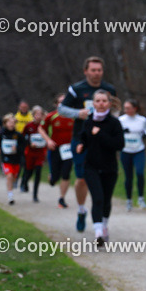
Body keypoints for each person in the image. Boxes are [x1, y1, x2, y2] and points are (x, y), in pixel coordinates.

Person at [56, 57, 116, 232]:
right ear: (86, 71)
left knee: (105, 177)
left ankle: (101, 217)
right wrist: (78, 113)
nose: (96, 73)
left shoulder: (109, 89)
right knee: (81, 178)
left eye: (99, 70)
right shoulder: (77, 89)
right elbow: (61, 109)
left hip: (103, 140)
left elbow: (116, 110)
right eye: (93, 70)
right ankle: (82, 210)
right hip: (82, 139)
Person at [75, 90, 124, 247]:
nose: (101, 104)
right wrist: (81, 145)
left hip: (109, 167)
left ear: (109, 103)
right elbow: (84, 136)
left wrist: (101, 134)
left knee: (106, 200)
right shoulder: (88, 121)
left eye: (104, 101)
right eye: (98, 101)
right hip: (91, 166)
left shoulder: (114, 123)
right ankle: (98, 233)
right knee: (97, 198)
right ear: (93, 103)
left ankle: (104, 225)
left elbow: (119, 144)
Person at [42, 94, 74, 208]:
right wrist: (48, 141)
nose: (63, 104)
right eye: (60, 102)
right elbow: (40, 129)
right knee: (55, 178)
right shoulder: (51, 116)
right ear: (56, 104)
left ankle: (62, 199)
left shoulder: (73, 116)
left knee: (66, 174)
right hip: (54, 148)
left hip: (68, 149)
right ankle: (52, 177)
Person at [118, 99, 146, 211]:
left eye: (128, 108)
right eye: (124, 108)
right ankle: (129, 200)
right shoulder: (121, 120)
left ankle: (141, 198)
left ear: (134, 108)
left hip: (139, 150)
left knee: (140, 173)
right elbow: (116, 134)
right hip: (126, 151)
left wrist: (143, 134)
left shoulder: (142, 120)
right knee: (128, 176)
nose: (126, 110)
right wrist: (122, 133)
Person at [20, 106, 48, 201]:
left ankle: (35, 195)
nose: (39, 116)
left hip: (40, 153)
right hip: (30, 153)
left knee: (38, 172)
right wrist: (29, 143)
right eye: (37, 114)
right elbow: (23, 138)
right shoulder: (29, 126)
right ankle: (24, 182)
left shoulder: (44, 126)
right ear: (33, 115)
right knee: (29, 171)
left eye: (40, 114)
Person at [0, 114, 23, 204]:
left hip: (16, 160)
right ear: (5, 123)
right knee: (9, 176)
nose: (11, 124)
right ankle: (10, 196)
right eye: (9, 122)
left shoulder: (18, 135)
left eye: (13, 122)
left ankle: (11, 185)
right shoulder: (1, 133)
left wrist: (17, 148)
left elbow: (23, 146)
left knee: (14, 177)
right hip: (6, 159)